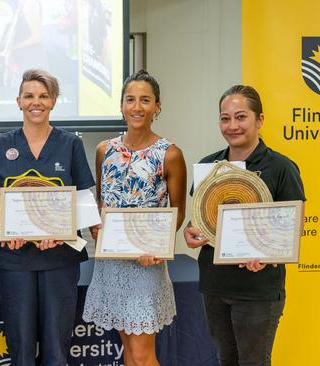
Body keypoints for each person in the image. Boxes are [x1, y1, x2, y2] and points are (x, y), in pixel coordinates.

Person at [184, 85, 306, 366]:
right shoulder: (208, 166)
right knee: (225, 360)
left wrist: (267, 255)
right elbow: (199, 221)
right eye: (225, 118)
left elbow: (294, 228)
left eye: (241, 117)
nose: (232, 126)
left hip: (258, 289)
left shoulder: (281, 167)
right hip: (215, 284)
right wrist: (191, 232)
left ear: (259, 120)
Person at [0, 69, 95, 366]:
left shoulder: (71, 144)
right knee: (20, 350)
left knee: (57, 350)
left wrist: (62, 231)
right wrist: (7, 227)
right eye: (29, 96)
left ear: (54, 101)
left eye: (44, 96)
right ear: (18, 101)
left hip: (60, 259)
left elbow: (84, 203)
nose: (36, 102)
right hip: (15, 259)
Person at [82, 70, 187, 366]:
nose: (137, 107)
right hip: (111, 263)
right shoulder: (105, 149)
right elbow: (104, 201)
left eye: (145, 100)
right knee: (128, 349)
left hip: (147, 264)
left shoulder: (170, 154)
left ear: (157, 106)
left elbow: (177, 213)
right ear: (121, 105)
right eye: (131, 99)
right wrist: (96, 226)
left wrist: (158, 248)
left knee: (142, 354)